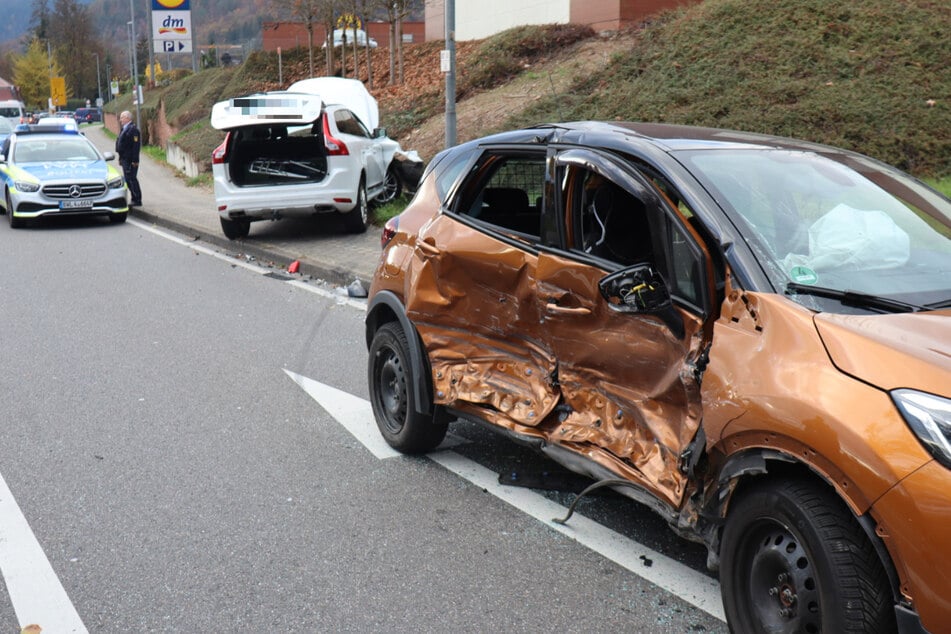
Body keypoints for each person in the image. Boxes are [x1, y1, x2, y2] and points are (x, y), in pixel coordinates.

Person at [115, 110, 142, 207]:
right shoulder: (125, 129)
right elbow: (121, 145)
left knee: (131, 178)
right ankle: (134, 198)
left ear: (127, 118)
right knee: (127, 179)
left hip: (130, 160)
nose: (120, 120)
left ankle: (137, 199)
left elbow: (136, 146)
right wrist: (120, 158)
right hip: (125, 158)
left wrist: (135, 160)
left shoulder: (133, 130)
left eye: (122, 117)